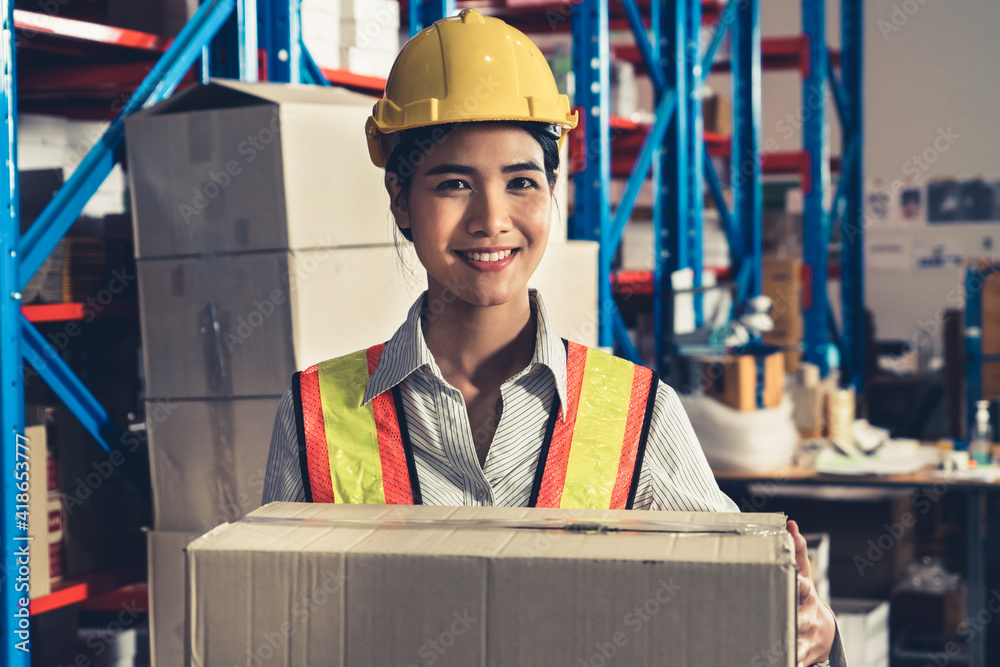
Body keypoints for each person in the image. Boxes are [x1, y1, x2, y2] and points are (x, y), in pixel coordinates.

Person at [263, 9, 842, 666]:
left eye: (521, 182)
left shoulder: (638, 415)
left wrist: (814, 638)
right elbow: (277, 626)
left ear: (552, 194)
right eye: (453, 183)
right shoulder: (314, 413)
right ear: (399, 199)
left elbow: (731, 615)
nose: (492, 218)